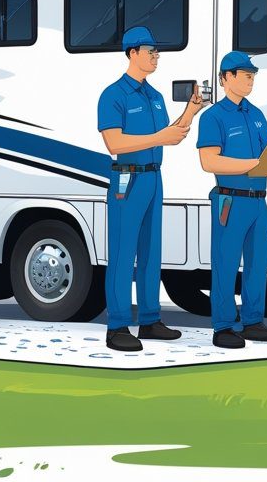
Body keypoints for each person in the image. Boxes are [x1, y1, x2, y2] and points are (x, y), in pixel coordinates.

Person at [98, 25, 203, 352]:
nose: (157, 56)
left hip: (154, 178)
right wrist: (160, 138)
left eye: (157, 51)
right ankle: (116, 326)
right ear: (132, 53)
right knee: (122, 253)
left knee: (150, 253)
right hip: (127, 179)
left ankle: (149, 319)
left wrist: (191, 111)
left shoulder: (154, 96)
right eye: (150, 51)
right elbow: (114, 142)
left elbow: (172, 133)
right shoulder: (113, 95)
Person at [196, 51, 267, 348]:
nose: (251, 80)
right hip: (230, 201)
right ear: (227, 78)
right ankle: (222, 326)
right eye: (246, 75)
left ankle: (252, 321)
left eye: (253, 75)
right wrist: (253, 164)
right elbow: (209, 162)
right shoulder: (213, 117)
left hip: (259, 201)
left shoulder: (256, 114)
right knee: (226, 262)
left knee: (258, 263)